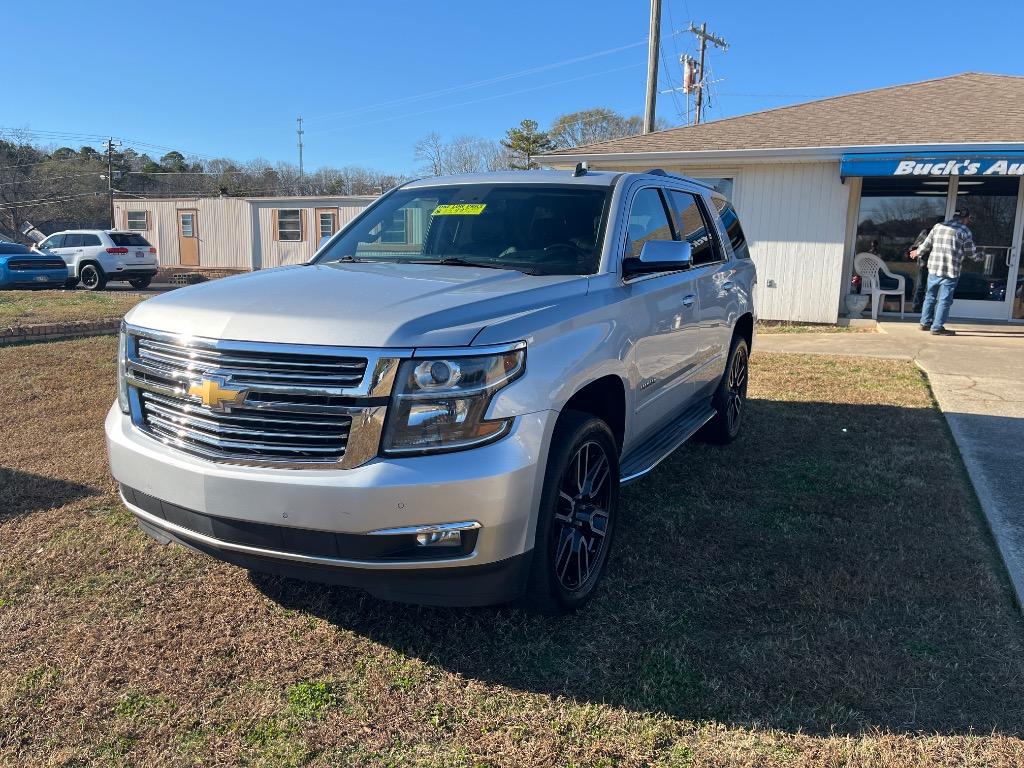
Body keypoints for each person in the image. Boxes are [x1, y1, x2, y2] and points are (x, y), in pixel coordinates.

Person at [916, 208, 983, 336]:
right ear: (966, 218)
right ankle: (937, 327)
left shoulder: (938, 227)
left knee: (930, 296)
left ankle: (925, 323)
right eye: (969, 219)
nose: (969, 221)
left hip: (934, 268)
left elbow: (926, 244)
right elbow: (970, 252)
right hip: (951, 270)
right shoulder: (964, 231)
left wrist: (917, 252)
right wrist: (980, 256)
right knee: (944, 300)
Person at [909, 216, 944, 313]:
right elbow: (915, 246)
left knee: (932, 289)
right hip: (924, 264)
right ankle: (916, 309)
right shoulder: (927, 232)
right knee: (921, 287)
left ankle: (928, 312)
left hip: (938, 266)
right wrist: (918, 251)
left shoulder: (946, 235)